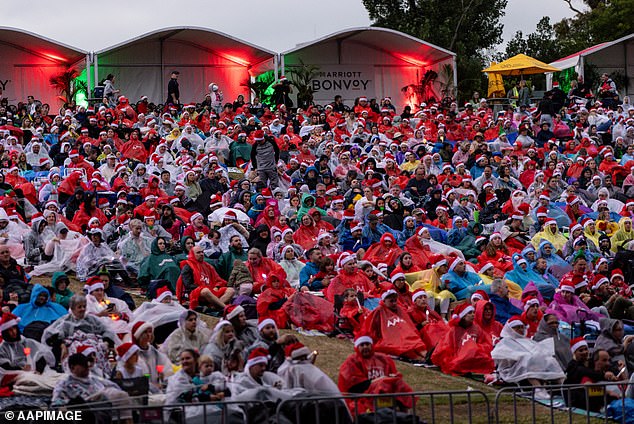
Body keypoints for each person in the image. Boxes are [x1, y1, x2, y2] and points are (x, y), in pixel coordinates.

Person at [491, 316, 565, 399]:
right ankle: (538, 389)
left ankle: (565, 387)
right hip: (511, 368)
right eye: (517, 328)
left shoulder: (527, 340)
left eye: (522, 327)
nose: (520, 330)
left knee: (550, 359)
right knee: (528, 360)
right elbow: (504, 357)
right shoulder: (505, 341)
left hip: (531, 364)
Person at [338, 336, 414, 415]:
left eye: (367, 344)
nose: (365, 347)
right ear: (357, 347)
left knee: (398, 383)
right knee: (382, 383)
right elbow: (354, 385)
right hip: (364, 394)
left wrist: (390, 378)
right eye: (362, 345)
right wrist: (378, 381)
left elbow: (393, 375)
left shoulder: (383, 359)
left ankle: (405, 411)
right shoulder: (352, 361)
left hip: (385, 390)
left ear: (371, 345)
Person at [53, 353, 134, 423]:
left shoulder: (93, 378)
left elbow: (112, 385)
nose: (86, 367)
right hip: (85, 411)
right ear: (72, 367)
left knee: (121, 395)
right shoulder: (64, 383)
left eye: (86, 364)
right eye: (82, 365)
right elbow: (56, 401)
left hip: (104, 406)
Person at [431, 303, 494, 375]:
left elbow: (486, 343)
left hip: (473, 357)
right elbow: (446, 346)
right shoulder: (454, 330)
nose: (473, 315)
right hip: (459, 357)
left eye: (474, 312)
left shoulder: (476, 328)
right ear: (463, 316)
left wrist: (475, 348)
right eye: (470, 313)